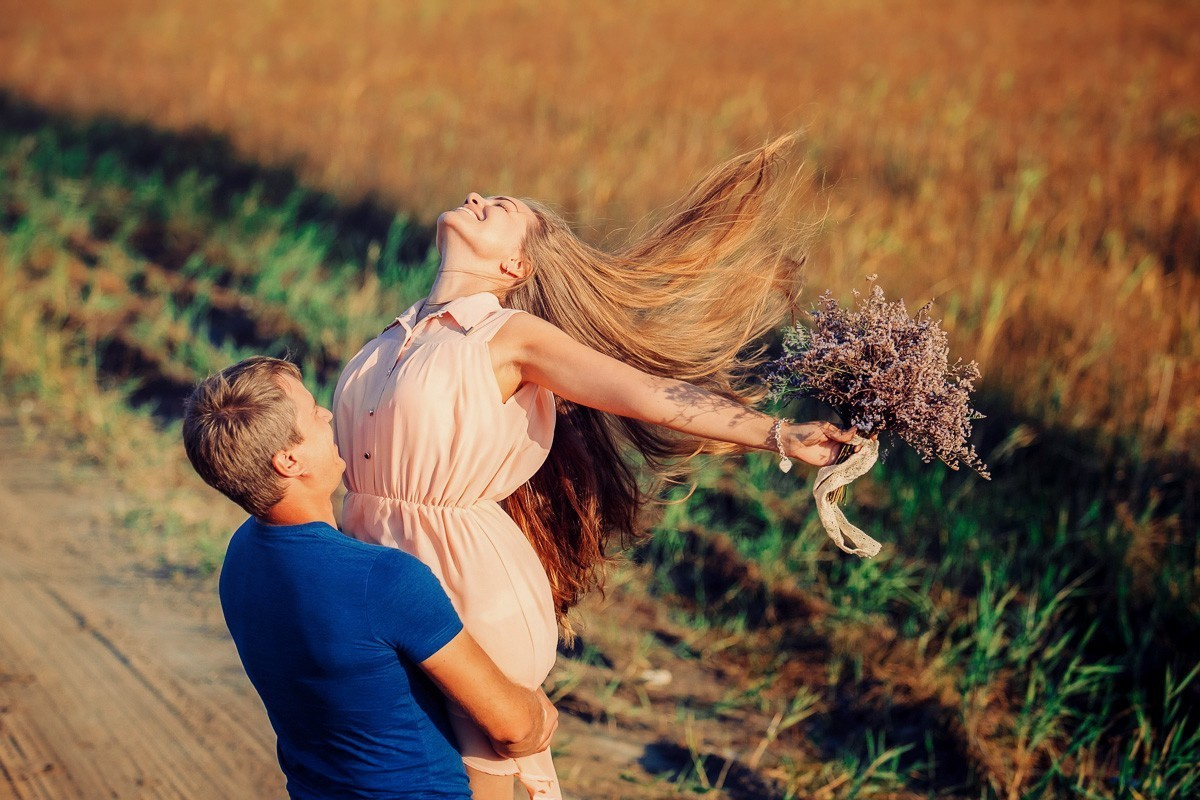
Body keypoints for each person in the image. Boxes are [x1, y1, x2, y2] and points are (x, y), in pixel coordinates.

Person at [333, 135, 857, 800]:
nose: (475, 199)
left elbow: (644, 394)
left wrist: (780, 433)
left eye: (497, 207)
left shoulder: (510, 339)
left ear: (515, 269)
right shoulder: (392, 337)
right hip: (369, 573)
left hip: (462, 589)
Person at [182, 356, 557, 800]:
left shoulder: (241, 558)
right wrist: (536, 711)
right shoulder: (382, 579)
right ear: (289, 460)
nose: (327, 415)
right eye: (313, 412)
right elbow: (511, 728)